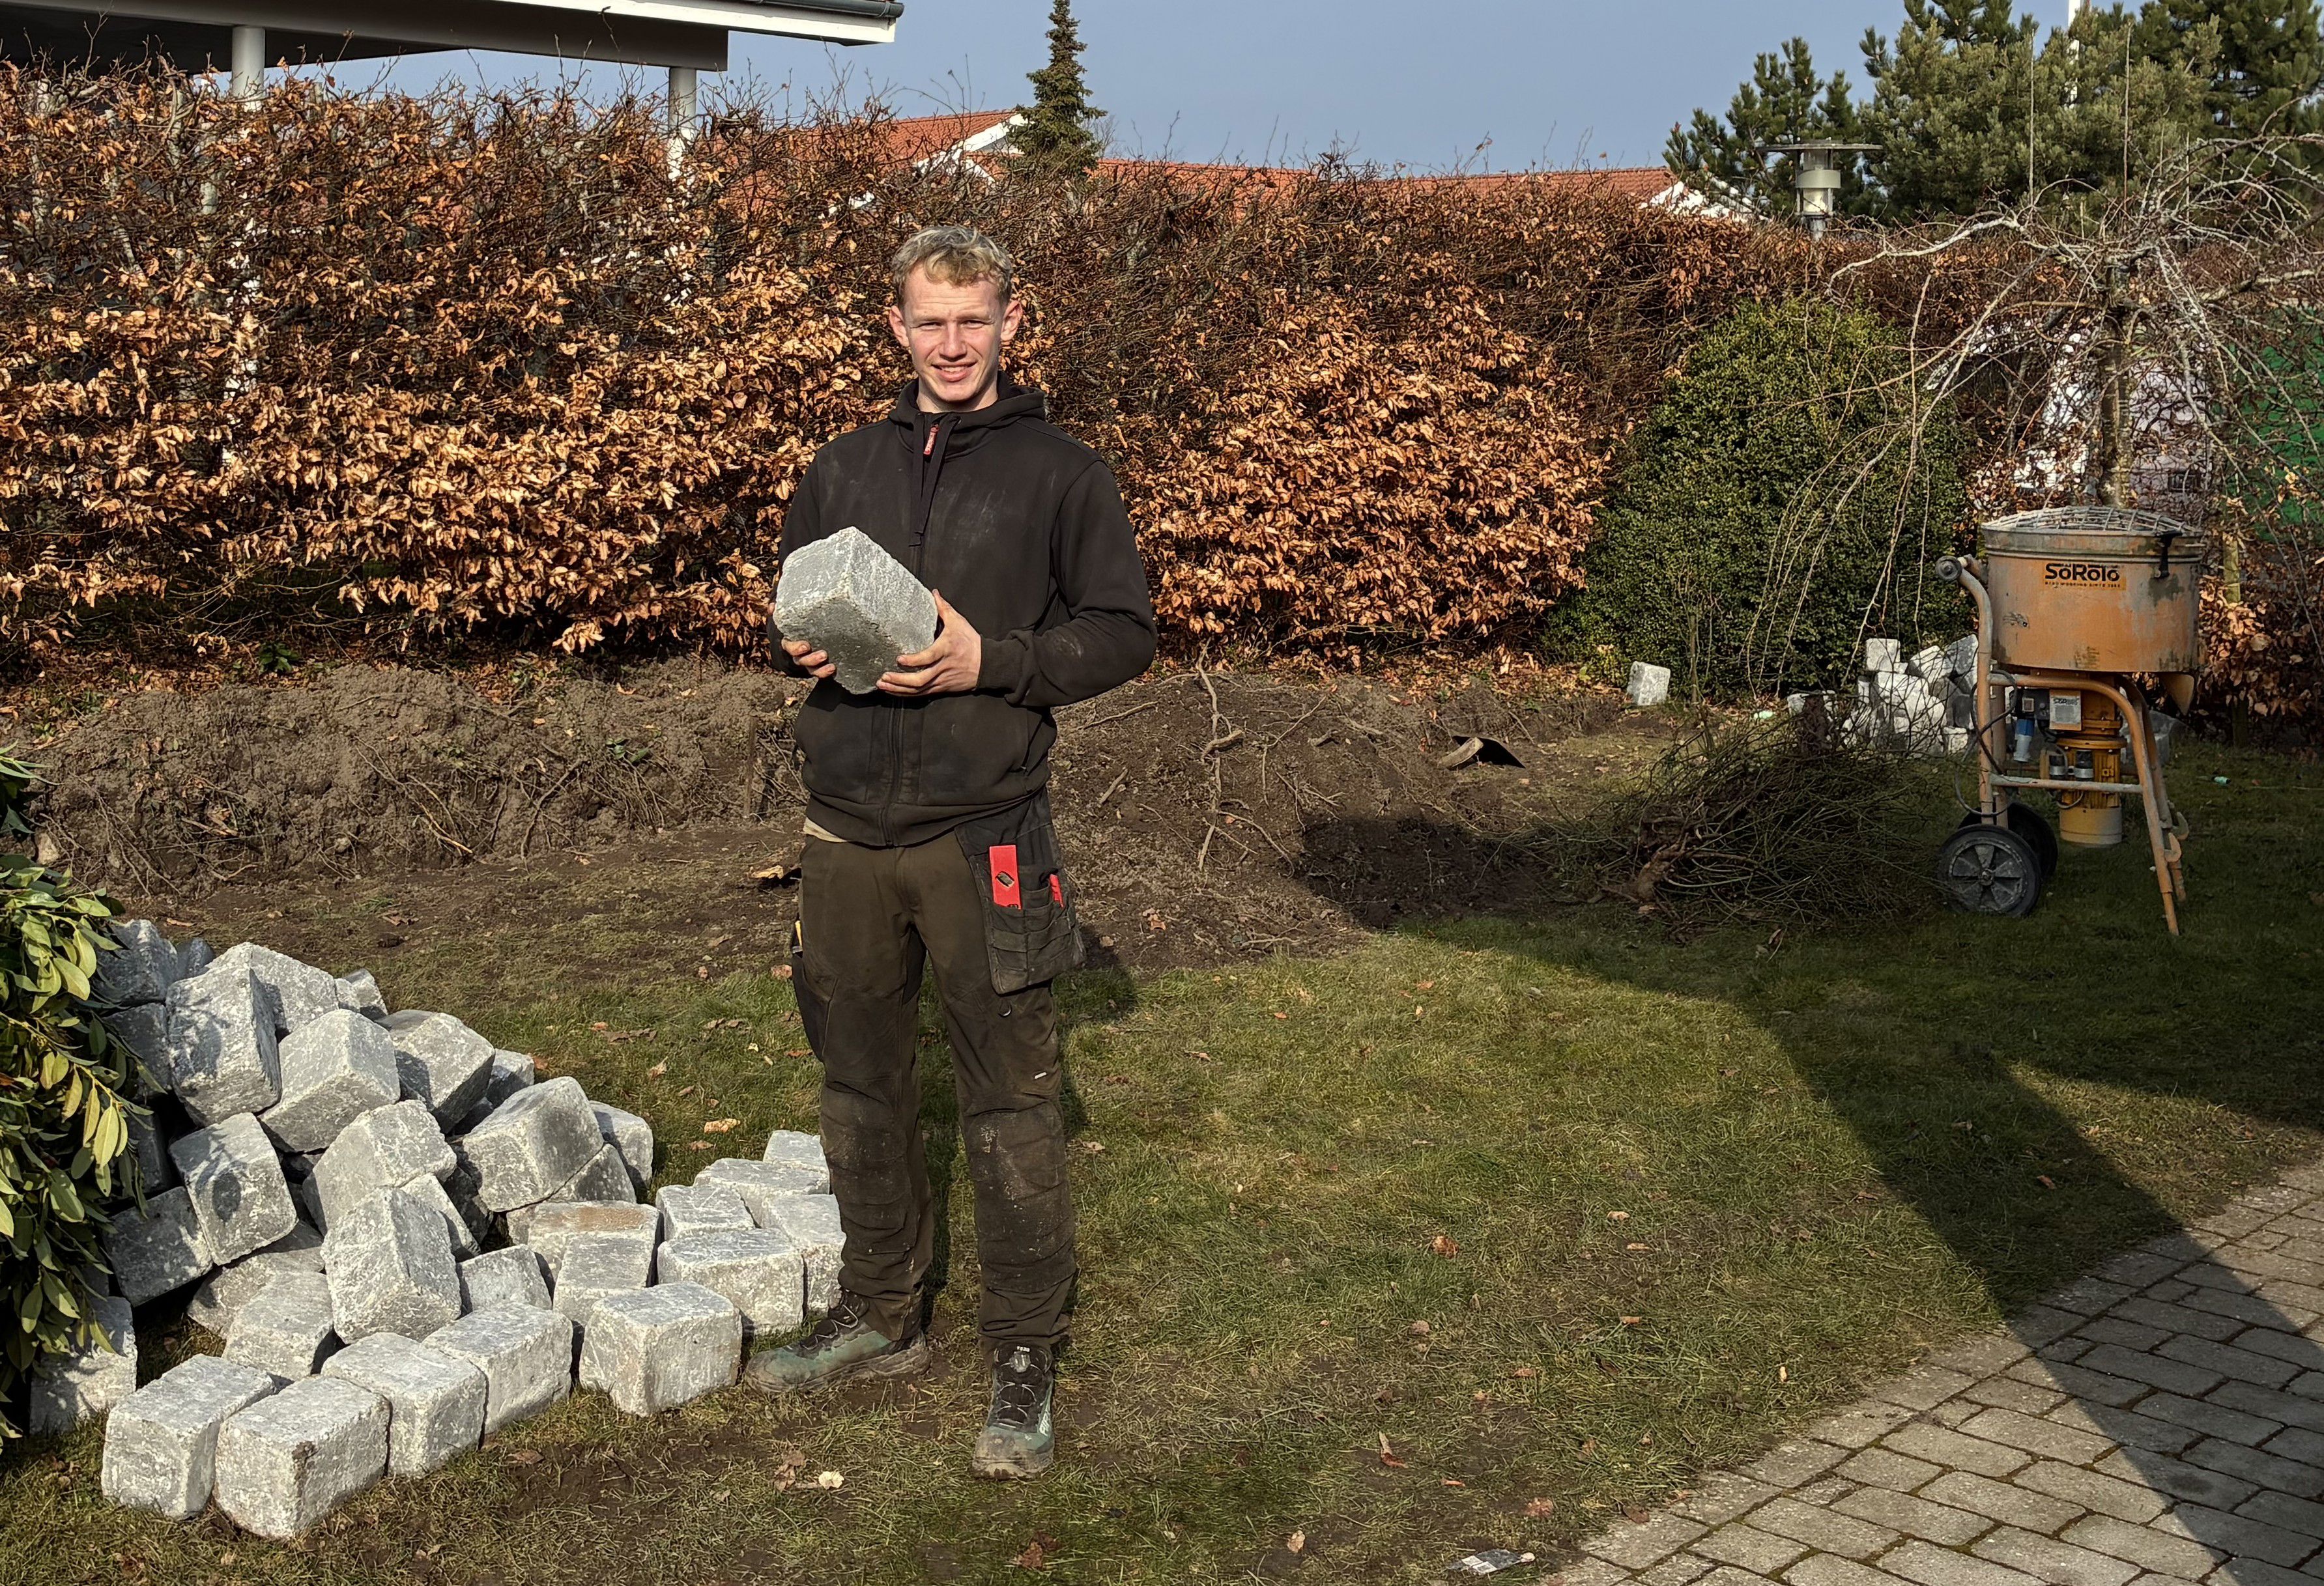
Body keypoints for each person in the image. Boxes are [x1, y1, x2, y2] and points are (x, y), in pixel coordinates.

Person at [750, 225, 1156, 1481]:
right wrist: (796, 645)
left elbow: (1124, 632)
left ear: (1011, 322)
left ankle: (1024, 1352)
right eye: (930, 320)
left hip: (985, 833)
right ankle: (881, 1308)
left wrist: (998, 661)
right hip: (845, 833)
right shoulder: (841, 467)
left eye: (973, 318)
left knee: (1012, 1098)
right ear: (897, 327)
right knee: (860, 1082)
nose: (952, 343)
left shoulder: (1063, 474)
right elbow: (785, 605)